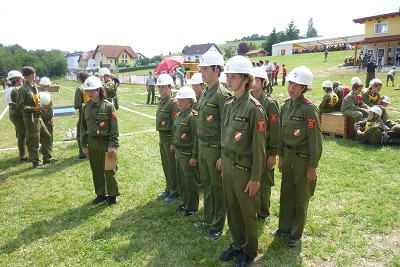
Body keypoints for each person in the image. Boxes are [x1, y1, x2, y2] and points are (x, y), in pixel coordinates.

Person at [218, 56, 266, 266]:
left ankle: (249, 250)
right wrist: (221, 157)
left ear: (246, 79)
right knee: (232, 208)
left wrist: (255, 178)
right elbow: (225, 135)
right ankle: (237, 243)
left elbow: (259, 149)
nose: (228, 80)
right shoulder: (228, 105)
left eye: (234, 76)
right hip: (228, 165)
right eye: (227, 76)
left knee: (247, 212)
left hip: (244, 169)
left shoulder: (254, 108)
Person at [271, 66, 322, 248]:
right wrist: (282, 156)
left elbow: (315, 140)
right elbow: (282, 134)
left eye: (296, 84)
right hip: (289, 157)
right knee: (287, 194)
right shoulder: (286, 106)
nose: (291, 87)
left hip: (302, 159)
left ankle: (296, 233)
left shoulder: (308, 109)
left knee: (301, 197)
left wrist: (312, 166)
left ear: (304, 88)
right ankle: (284, 227)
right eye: (290, 82)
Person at [196, 50, 231, 240]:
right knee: (207, 186)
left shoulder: (221, 94)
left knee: (218, 189)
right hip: (203, 147)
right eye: (201, 68)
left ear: (217, 70)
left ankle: (217, 224)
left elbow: (227, 127)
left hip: (215, 149)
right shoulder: (204, 92)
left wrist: (222, 155)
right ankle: (208, 217)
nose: (202, 71)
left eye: (206, 68)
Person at [80, 76, 120, 205]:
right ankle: (101, 193)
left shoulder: (108, 106)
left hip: (106, 143)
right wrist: (83, 145)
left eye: (92, 90)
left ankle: (112, 195)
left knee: (109, 170)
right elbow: (82, 128)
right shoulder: (86, 108)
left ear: (99, 90)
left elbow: (114, 127)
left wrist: (112, 145)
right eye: (87, 91)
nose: (89, 93)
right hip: (92, 143)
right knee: (96, 170)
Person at [251, 67, 280, 222]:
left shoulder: (269, 103)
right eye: (252, 79)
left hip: (266, 149)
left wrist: (273, 153)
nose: (253, 83)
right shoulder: (248, 101)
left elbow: (275, 130)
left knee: (265, 183)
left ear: (263, 83)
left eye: (257, 79)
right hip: (251, 150)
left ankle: (263, 212)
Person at [16, 66, 57, 169]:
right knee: (33, 140)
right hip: (30, 118)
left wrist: (41, 108)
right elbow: (20, 106)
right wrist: (35, 109)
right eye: (32, 74)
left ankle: (47, 158)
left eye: (34, 73)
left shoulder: (34, 87)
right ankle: (36, 162)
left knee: (47, 136)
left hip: (38, 116)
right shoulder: (23, 90)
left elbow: (36, 101)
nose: (34, 76)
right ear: (26, 76)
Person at [171, 87, 200, 216]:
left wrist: (194, 156)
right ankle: (185, 202)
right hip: (179, 152)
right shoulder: (179, 115)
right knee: (182, 180)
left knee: (190, 182)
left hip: (188, 154)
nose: (179, 103)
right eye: (178, 101)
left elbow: (196, 139)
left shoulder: (192, 117)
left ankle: (192, 207)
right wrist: (173, 143)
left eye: (182, 101)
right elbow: (176, 131)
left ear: (190, 101)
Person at [155, 74, 180, 202]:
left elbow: (176, 124)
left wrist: (174, 142)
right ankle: (168, 188)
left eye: (163, 87)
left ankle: (175, 191)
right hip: (162, 137)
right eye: (159, 87)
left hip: (169, 138)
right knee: (165, 165)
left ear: (170, 87)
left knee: (172, 166)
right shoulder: (161, 101)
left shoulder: (172, 103)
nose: (160, 89)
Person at [5, 70, 28, 162]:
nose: (22, 81)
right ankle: (30, 154)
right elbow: (20, 104)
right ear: (16, 80)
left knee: (21, 135)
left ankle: (23, 155)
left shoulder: (9, 89)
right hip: (17, 113)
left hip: (13, 113)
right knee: (27, 133)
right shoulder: (16, 90)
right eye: (20, 79)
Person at [74, 71, 90, 160]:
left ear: (79, 79)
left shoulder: (80, 88)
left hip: (83, 114)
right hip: (93, 112)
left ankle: (83, 154)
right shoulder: (92, 87)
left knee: (81, 134)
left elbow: (77, 105)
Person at [38, 77, 54, 150]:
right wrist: (50, 118)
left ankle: (42, 147)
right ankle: (49, 147)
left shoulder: (36, 93)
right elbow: (50, 108)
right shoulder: (48, 94)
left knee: (41, 132)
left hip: (39, 115)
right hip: (47, 116)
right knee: (49, 132)